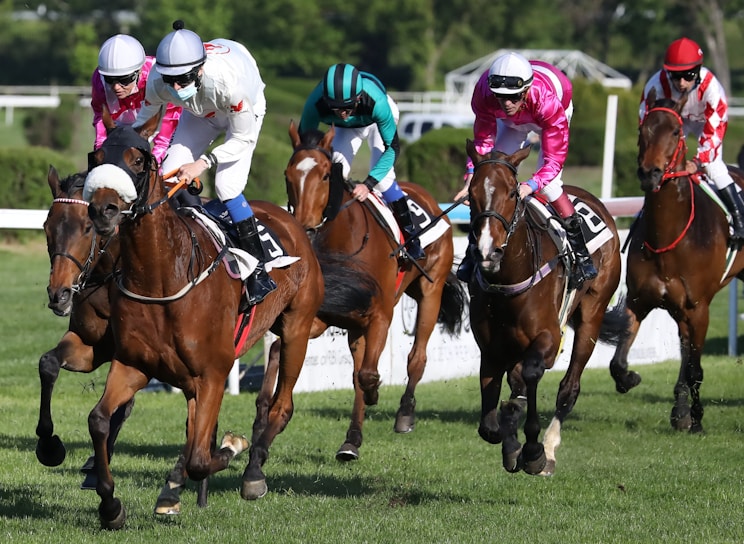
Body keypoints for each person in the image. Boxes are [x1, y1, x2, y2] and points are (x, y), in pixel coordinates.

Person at [133, 21, 275, 306]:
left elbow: (242, 140)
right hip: (200, 113)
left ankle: (258, 270)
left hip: (243, 111)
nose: (174, 87)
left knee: (226, 186)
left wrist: (203, 163)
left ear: (199, 70)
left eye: (182, 79)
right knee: (168, 176)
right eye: (169, 79)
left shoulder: (230, 85)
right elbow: (140, 128)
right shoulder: (161, 81)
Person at [454, 51, 597, 289]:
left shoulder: (547, 102)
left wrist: (530, 185)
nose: (507, 103)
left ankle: (582, 257)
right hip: (516, 121)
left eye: (512, 97)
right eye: (501, 97)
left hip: (550, 112)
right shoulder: (484, 93)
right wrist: (472, 176)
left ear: (526, 90)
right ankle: (473, 252)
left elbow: (553, 162)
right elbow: (482, 143)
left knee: (550, 186)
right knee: (491, 177)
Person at [298, 63, 425, 261]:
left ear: (358, 98)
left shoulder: (378, 103)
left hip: (376, 120)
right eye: (336, 107)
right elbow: (304, 148)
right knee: (335, 173)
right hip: (347, 128)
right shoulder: (314, 103)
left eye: (346, 107)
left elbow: (393, 148)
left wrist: (368, 185)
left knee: (383, 180)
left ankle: (411, 237)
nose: (341, 113)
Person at [640, 37, 744, 242]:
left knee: (713, 165)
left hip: (705, 122)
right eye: (675, 76)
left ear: (698, 69)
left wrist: (697, 163)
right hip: (675, 123)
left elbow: (713, 137)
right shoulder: (655, 85)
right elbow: (646, 125)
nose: (681, 82)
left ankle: (739, 218)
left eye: (688, 75)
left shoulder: (713, 89)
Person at [91, 34, 181, 166]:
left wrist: (153, 164)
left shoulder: (160, 78)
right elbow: (100, 117)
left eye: (124, 80)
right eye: (110, 80)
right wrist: (101, 150)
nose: (116, 87)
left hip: (159, 122)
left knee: (164, 170)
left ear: (138, 72)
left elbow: (164, 138)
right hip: (121, 124)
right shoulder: (99, 80)